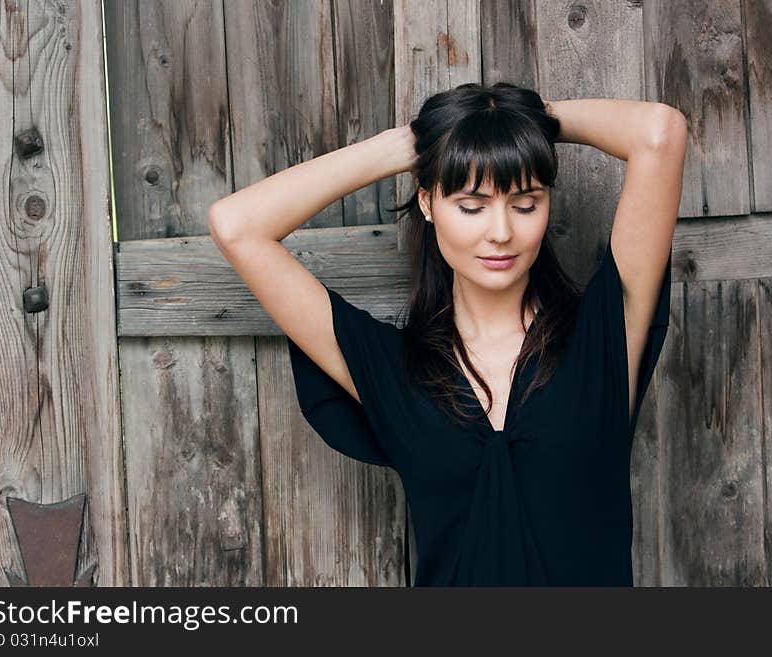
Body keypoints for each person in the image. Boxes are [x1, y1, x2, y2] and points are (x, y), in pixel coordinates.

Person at [208, 82, 687, 586]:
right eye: (471, 205)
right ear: (428, 203)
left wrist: (516, 120)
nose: (501, 231)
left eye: (525, 204)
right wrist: (412, 143)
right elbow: (238, 225)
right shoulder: (393, 372)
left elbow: (660, 133)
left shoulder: (603, 339)